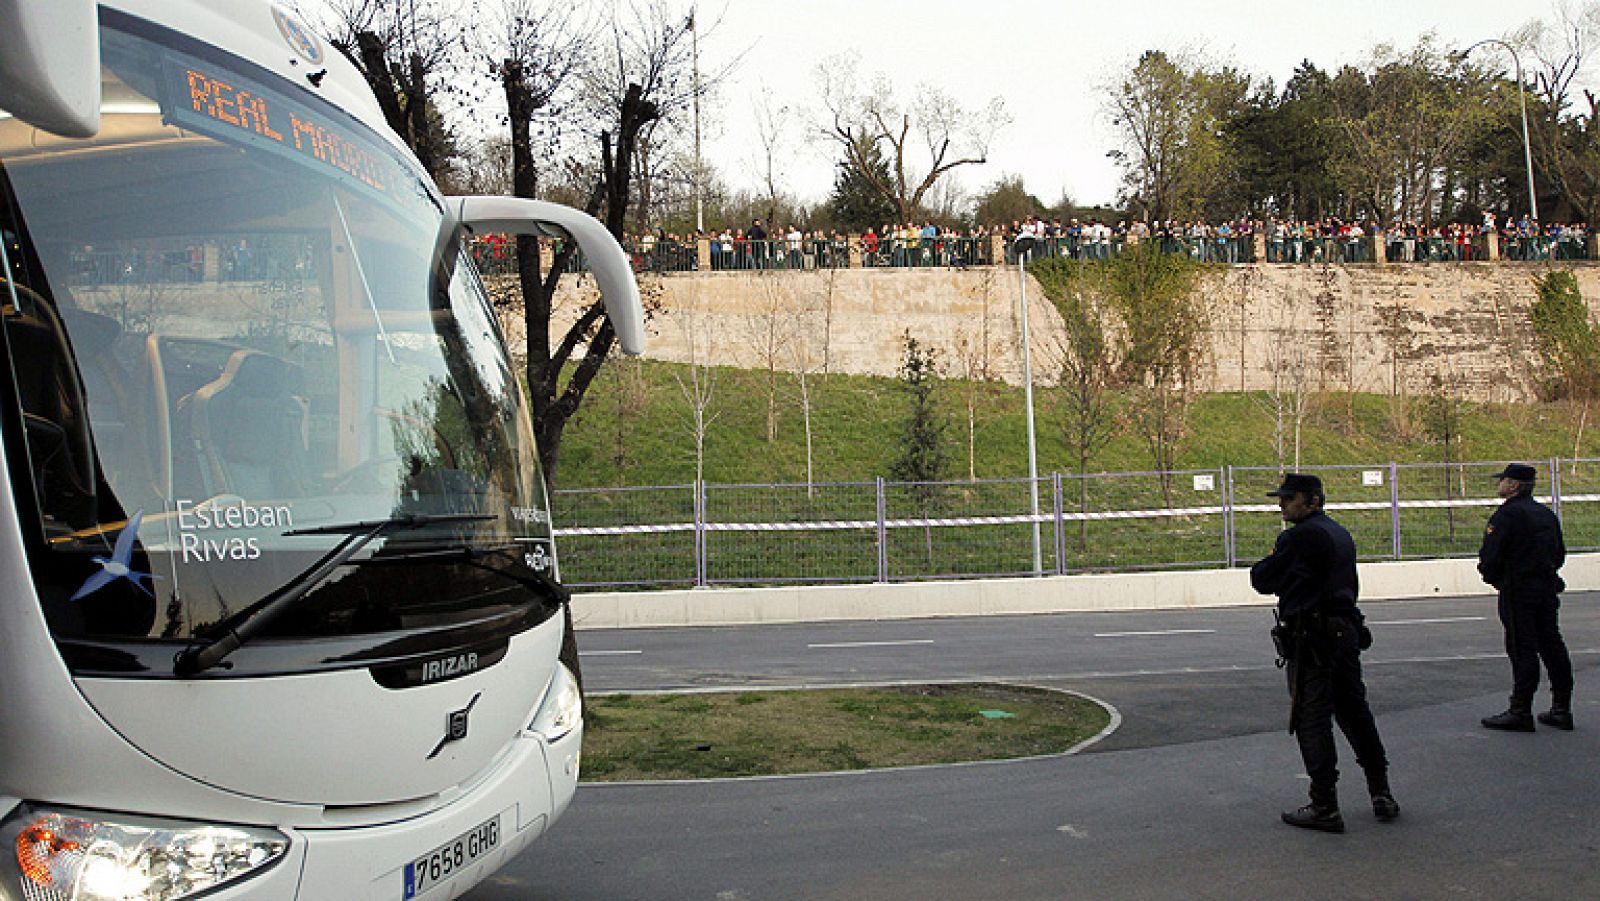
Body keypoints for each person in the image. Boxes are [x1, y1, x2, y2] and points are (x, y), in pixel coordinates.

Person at [1250, 473, 1398, 833]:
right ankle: (1381, 790)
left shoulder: (1300, 537)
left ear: (1312, 500)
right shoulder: (1338, 533)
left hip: (1312, 638)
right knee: (1355, 714)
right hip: (1342, 631)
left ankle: (1324, 804)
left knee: (1312, 720)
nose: (1282, 504)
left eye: (1290, 498)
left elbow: (1262, 579)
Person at [1478, 463, 1575, 732]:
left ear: (1514, 486)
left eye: (1504, 480)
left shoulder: (1506, 516)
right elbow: (1559, 554)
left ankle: (1520, 709)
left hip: (1518, 589)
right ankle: (1562, 708)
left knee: (1522, 648)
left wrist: (1494, 578)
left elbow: (1491, 556)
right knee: (1552, 645)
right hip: (1545, 587)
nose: (1500, 484)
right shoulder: (1546, 515)